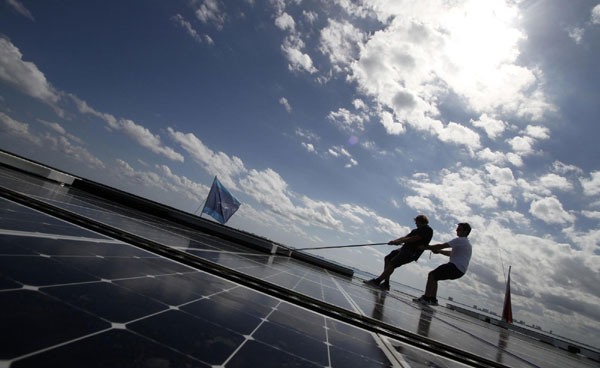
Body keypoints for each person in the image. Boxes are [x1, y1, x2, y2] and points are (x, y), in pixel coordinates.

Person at [364, 214, 433, 291]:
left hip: (412, 252)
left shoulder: (427, 229)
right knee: (388, 258)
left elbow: (414, 238)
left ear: (420, 221)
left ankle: (377, 281)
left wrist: (400, 241)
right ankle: (386, 284)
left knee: (393, 263)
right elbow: (406, 237)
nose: (415, 223)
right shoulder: (415, 230)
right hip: (404, 249)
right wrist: (395, 241)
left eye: (416, 222)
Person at [413, 222, 472, 306]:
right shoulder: (466, 243)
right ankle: (433, 300)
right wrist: (439, 252)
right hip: (460, 271)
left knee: (432, 275)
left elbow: (442, 245)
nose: (456, 231)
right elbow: (451, 253)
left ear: (466, 231)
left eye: (459, 229)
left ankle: (426, 299)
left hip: (455, 267)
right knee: (435, 277)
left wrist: (426, 247)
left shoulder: (460, 240)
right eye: (457, 229)